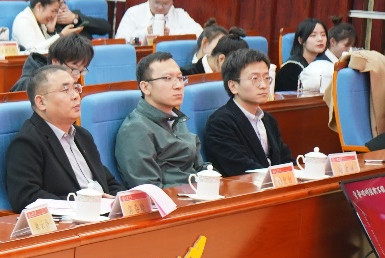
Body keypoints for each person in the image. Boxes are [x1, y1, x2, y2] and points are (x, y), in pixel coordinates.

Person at [5, 65, 124, 212]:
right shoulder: (27, 143)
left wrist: (122, 200)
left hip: (105, 215)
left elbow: (109, 182)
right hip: (72, 219)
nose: (75, 96)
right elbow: (26, 198)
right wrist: (84, 203)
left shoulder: (83, 136)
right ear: (41, 102)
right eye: (66, 90)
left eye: (76, 88)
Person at [114, 52, 203, 188]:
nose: (178, 85)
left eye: (180, 78)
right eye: (167, 78)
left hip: (197, 192)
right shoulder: (135, 129)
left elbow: (199, 168)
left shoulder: (176, 119)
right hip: (174, 198)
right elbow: (150, 189)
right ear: (145, 87)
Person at [201, 48, 294, 176]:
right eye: (255, 79)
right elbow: (241, 169)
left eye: (267, 78)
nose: (263, 85)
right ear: (233, 86)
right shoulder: (220, 123)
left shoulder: (268, 120)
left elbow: (285, 160)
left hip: (273, 184)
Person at [115, 0, 202, 44]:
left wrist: (171, 33)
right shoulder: (134, 13)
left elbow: (200, 34)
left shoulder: (179, 14)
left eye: (165, 3)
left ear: (173, 1)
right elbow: (120, 40)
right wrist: (145, 33)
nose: (160, 7)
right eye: (156, 2)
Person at [11, 33, 95, 93]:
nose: (77, 76)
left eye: (81, 71)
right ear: (55, 62)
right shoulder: (28, 83)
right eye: (74, 70)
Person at [11, 0, 83, 53]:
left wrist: (50, 32)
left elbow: (47, 47)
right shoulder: (23, 20)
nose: (54, 15)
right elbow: (33, 51)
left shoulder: (41, 20)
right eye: (53, 11)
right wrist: (61, 35)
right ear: (39, 6)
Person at [276, 18, 328, 92]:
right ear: (300, 40)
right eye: (313, 35)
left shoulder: (319, 64)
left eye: (323, 35)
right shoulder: (291, 68)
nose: (320, 39)